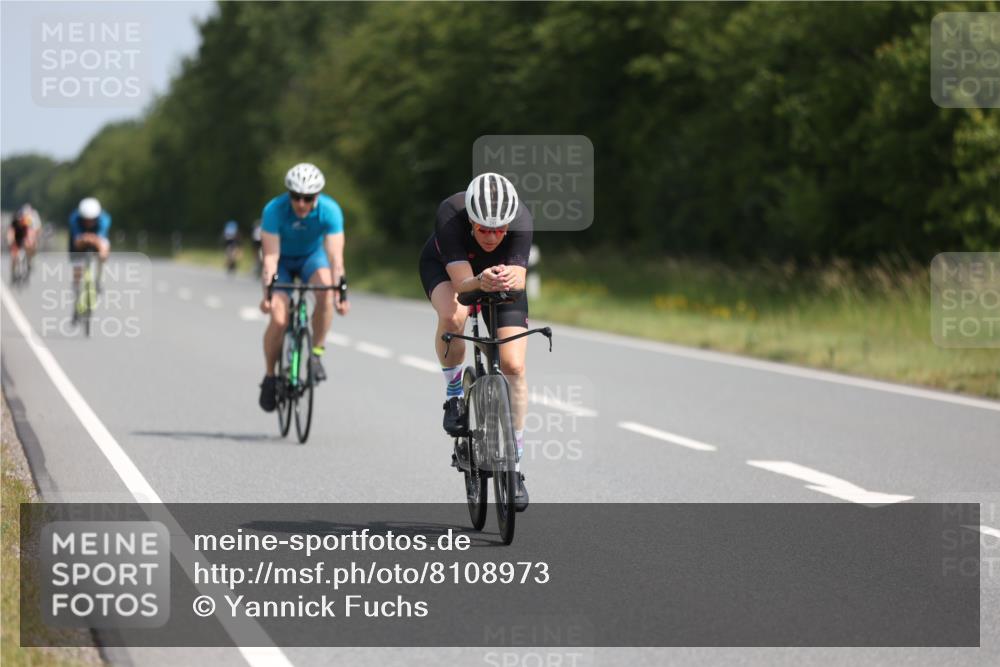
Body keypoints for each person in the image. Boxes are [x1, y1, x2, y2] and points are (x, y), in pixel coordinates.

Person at [418, 173, 532, 511]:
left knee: (513, 365)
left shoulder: (521, 218)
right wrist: (481, 281)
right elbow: (463, 286)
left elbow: (520, 280)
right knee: (454, 317)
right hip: (451, 272)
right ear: (471, 220)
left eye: (500, 230)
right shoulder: (450, 214)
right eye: (483, 229)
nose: (492, 237)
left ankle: (515, 465)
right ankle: (454, 394)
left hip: (497, 277)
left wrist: (508, 279)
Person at [258, 163, 349, 411]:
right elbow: (270, 258)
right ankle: (270, 377)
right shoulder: (274, 210)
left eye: (307, 198)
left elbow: (336, 259)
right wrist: (268, 294)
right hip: (282, 261)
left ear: (317, 196)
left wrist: (341, 293)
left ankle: (316, 355)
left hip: (312, 258)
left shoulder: (330, 211)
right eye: (296, 196)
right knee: (279, 319)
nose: (301, 203)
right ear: (289, 194)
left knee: (326, 291)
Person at [68, 197, 111, 294]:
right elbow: (77, 241)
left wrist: (92, 240)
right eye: (86, 219)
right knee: (77, 259)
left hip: (97, 238)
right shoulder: (74, 219)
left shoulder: (104, 219)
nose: (89, 222)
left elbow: (101, 240)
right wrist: (85, 239)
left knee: (104, 249)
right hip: (80, 238)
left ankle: (98, 281)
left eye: (92, 220)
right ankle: (76, 284)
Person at [7, 203, 40, 274]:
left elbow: (30, 232)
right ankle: (13, 271)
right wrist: (10, 240)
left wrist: (31, 241)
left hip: (24, 238)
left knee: (30, 247)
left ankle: (29, 261)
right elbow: (11, 232)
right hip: (16, 238)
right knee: (14, 256)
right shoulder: (15, 222)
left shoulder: (28, 222)